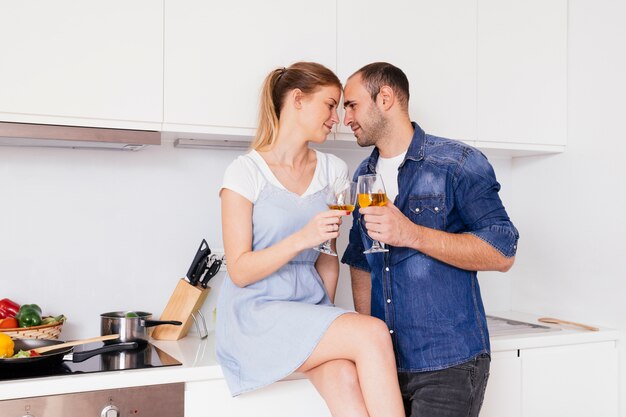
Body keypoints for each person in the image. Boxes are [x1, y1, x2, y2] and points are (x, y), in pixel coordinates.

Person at [216, 62, 406, 417]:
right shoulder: (244, 172)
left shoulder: (332, 170)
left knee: (345, 379)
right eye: (330, 104)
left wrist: (324, 319)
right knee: (373, 333)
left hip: (307, 312)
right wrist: (303, 237)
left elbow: (326, 256)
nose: (337, 118)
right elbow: (240, 271)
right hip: (256, 316)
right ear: (298, 100)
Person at [341, 62, 519, 417]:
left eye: (352, 105)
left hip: (448, 363)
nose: (346, 118)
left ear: (386, 98)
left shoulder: (457, 163)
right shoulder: (364, 174)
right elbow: (361, 258)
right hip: (386, 365)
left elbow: (503, 252)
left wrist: (411, 234)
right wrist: (369, 343)